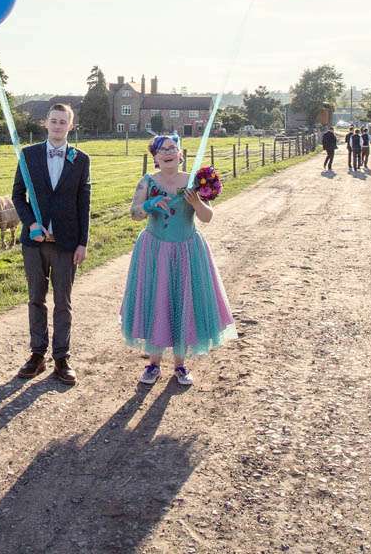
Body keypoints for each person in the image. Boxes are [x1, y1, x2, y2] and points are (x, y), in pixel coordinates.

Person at [120, 135, 237, 387]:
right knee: (158, 300)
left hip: (187, 249)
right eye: (162, 150)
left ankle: (180, 365)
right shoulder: (147, 182)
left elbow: (207, 217)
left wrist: (196, 202)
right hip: (154, 250)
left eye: (172, 148)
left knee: (183, 302)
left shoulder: (192, 181)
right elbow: (134, 214)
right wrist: (150, 204)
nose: (168, 152)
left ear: (181, 154)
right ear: (155, 157)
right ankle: (153, 364)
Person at [12, 103, 91, 385]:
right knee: (36, 298)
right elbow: (18, 196)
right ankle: (37, 355)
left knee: (63, 302)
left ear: (71, 126)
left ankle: (61, 358)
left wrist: (82, 242)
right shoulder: (28, 155)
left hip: (66, 243)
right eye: (53, 121)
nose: (58, 126)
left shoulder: (80, 159)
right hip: (35, 243)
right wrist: (31, 224)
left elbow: (84, 203)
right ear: (45, 123)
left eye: (63, 122)